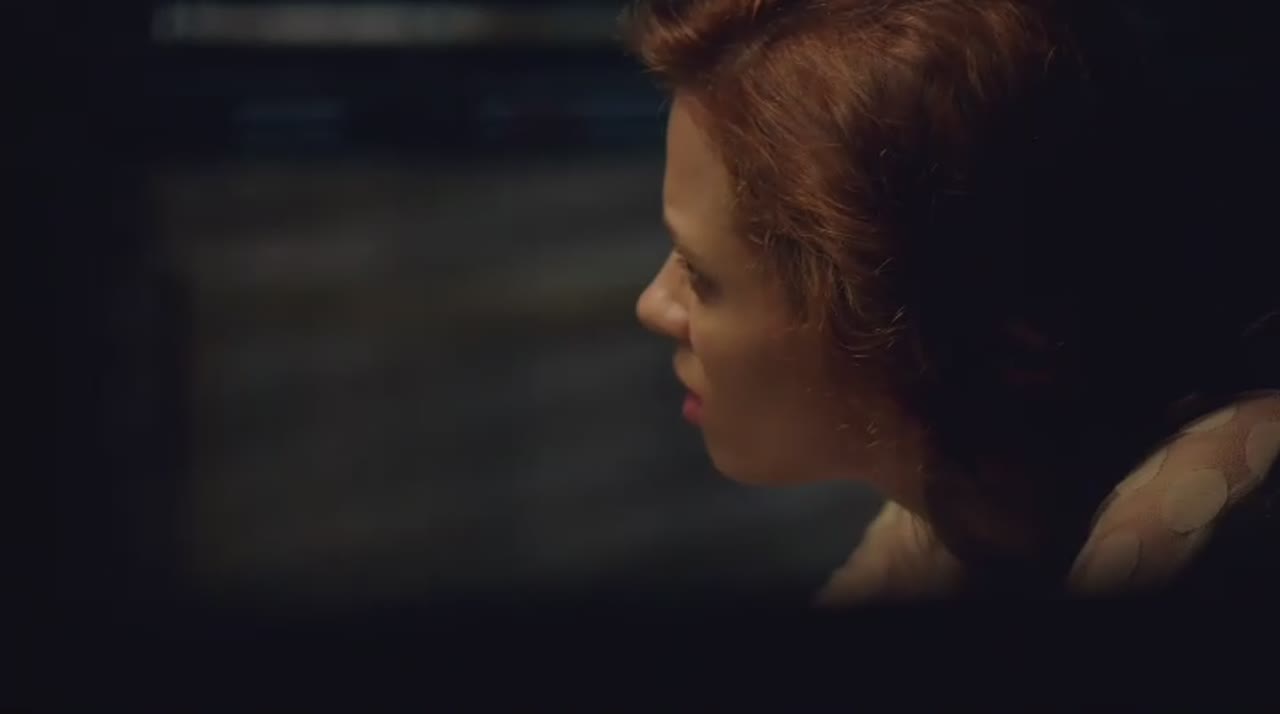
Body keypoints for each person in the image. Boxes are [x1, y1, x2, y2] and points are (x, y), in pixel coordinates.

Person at [625, 0, 1280, 603]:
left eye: (700, 275)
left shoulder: (1217, 536)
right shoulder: (953, 522)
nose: (653, 305)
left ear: (890, 308)